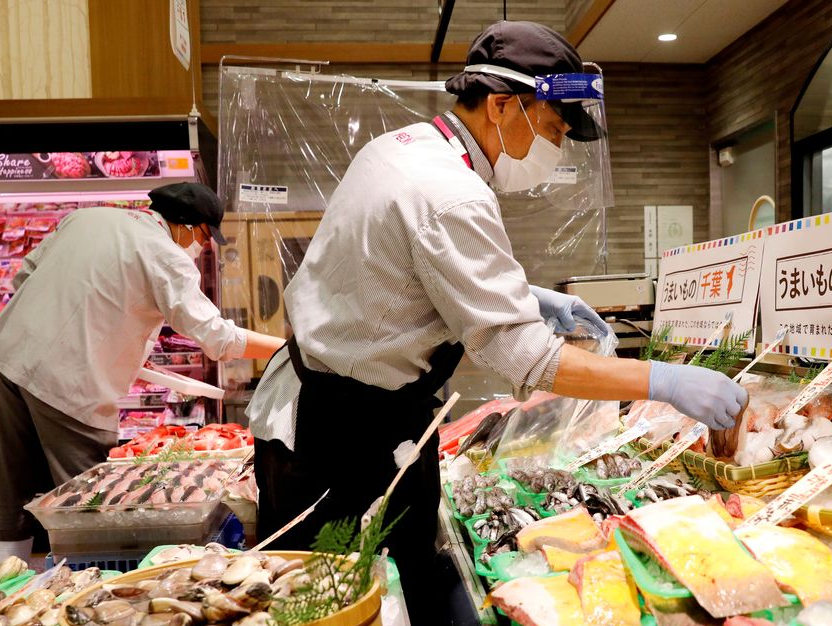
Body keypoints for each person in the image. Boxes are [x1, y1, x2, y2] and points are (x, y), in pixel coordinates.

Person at [246, 21, 746, 565]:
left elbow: (406, 264)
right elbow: (527, 359)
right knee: (355, 612)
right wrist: (662, 380)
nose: (554, 150)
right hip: (343, 435)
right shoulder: (452, 193)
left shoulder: (402, 146)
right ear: (502, 106)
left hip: (320, 404)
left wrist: (529, 298)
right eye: (553, 131)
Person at [0, 183, 285, 565]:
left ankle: (3, 583)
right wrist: (287, 348)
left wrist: (117, 351)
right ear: (187, 225)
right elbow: (216, 337)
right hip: (69, 379)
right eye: (204, 237)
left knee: (11, 484)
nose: (201, 247)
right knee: (89, 500)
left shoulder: (85, 219)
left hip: (9, 354)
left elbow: (26, 278)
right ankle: (88, 588)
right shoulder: (166, 254)